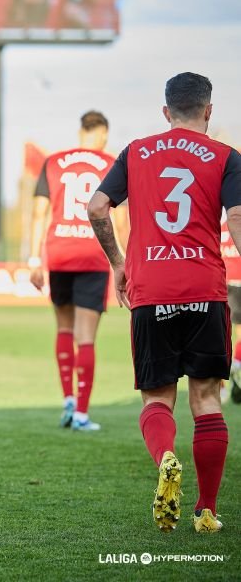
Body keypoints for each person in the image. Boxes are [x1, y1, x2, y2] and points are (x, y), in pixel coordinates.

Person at [89, 72, 241, 533]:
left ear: (165, 111)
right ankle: (206, 510)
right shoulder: (227, 156)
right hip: (205, 290)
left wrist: (119, 262)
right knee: (208, 399)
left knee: (157, 397)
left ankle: (166, 458)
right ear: (209, 111)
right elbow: (236, 219)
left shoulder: (136, 152)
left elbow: (97, 207)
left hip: (151, 290)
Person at [28, 111, 115, 431]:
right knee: (86, 337)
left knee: (64, 329)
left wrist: (34, 259)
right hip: (93, 255)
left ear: (80, 131)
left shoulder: (53, 161)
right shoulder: (109, 162)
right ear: (103, 133)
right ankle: (81, 413)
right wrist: (121, 260)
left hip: (60, 254)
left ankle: (67, 399)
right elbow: (116, 217)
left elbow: (39, 213)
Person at [220, 213, 241, 403]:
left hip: (221, 282)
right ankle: (236, 363)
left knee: (221, 334)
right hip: (237, 282)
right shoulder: (235, 221)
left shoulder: (222, 223)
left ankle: (222, 385)